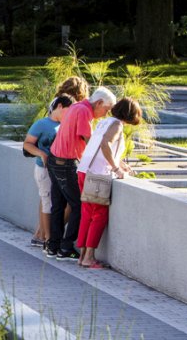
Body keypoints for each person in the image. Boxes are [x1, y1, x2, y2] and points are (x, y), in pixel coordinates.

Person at [45, 86, 117, 260]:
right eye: (106, 109)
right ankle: (66, 248)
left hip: (54, 159)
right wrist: (112, 162)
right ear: (99, 103)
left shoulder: (77, 106)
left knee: (58, 205)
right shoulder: (84, 111)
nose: (106, 114)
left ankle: (53, 247)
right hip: (66, 163)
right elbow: (90, 141)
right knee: (79, 204)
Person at [76, 98, 143, 268]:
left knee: (86, 214)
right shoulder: (117, 125)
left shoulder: (104, 122)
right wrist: (116, 168)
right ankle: (89, 257)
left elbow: (100, 147)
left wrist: (119, 162)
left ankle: (82, 255)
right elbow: (105, 144)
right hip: (97, 175)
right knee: (99, 215)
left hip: (84, 170)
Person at [23, 94, 74, 247]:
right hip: (44, 169)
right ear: (59, 106)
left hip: (61, 170)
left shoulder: (65, 124)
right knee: (47, 202)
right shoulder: (41, 124)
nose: (69, 115)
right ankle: (48, 239)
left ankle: (52, 237)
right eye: (68, 110)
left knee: (62, 203)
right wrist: (41, 154)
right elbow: (27, 144)